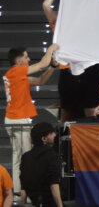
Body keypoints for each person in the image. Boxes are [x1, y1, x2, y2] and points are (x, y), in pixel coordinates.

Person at [5, 45, 57, 195]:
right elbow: (42, 64)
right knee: (28, 158)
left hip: (11, 119)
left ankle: (18, 190)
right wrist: (51, 49)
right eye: (26, 57)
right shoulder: (17, 71)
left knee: (17, 157)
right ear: (19, 60)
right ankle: (28, 193)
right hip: (20, 120)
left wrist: (52, 67)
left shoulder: (13, 75)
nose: (29, 59)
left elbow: (40, 81)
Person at [18, 123, 60, 207]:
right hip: (49, 201)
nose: (55, 135)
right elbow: (54, 184)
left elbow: (23, 186)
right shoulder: (52, 155)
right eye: (51, 133)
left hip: (34, 202)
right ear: (44, 138)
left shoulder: (25, 157)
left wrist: (23, 204)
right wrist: (60, 205)